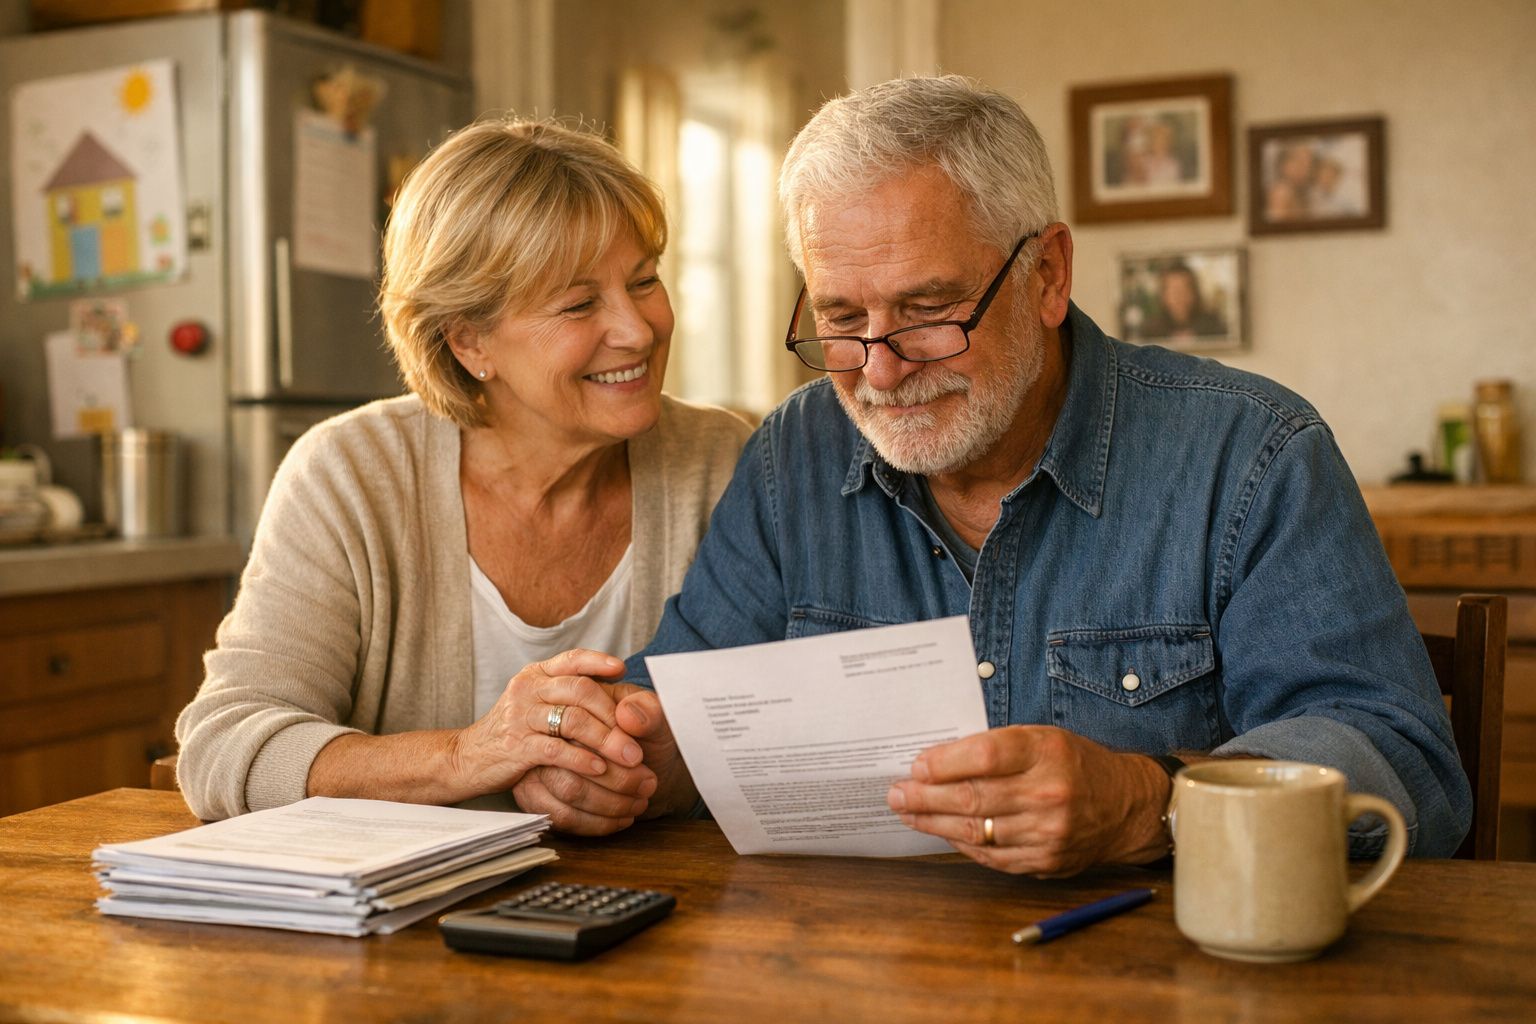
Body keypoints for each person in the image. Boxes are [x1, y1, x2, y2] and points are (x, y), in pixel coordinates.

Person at [583, 75, 1469, 874]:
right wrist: (616, 760)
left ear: (1048, 274)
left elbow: (1404, 764)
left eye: (929, 311)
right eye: (842, 317)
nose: (881, 370)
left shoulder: (1251, 453)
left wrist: (1148, 802)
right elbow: (678, 710)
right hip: (856, 972)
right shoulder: (793, 456)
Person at [174, 118, 752, 829]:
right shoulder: (351, 475)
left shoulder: (720, 460)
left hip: (659, 915)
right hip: (395, 930)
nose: (636, 329)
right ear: (470, 340)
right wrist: (470, 754)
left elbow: (766, 725)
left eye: (644, 282)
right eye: (578, 304)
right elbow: (224, 747)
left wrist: (651, 780)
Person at [1141, 261, 1227, 340]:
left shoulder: (1212, 326)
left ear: (1194, 293)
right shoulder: (1151, 331)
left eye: (1184, 289)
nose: (1179, 296)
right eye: (1174, 291)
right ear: (1163, 295)